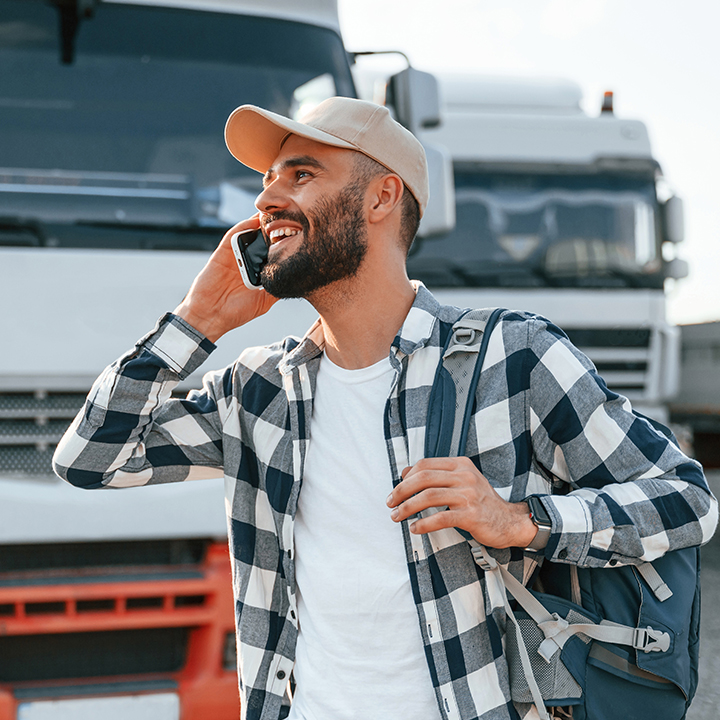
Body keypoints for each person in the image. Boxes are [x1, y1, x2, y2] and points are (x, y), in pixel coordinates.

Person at [53, 97, 717, 720]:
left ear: (380, 196)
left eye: (301, 173)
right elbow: (91, 459)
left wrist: (519, 520)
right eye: (267, 179)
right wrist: (197, 320)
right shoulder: (257, 393)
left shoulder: (511, 357)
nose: (266, 199)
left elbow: (686, 499)